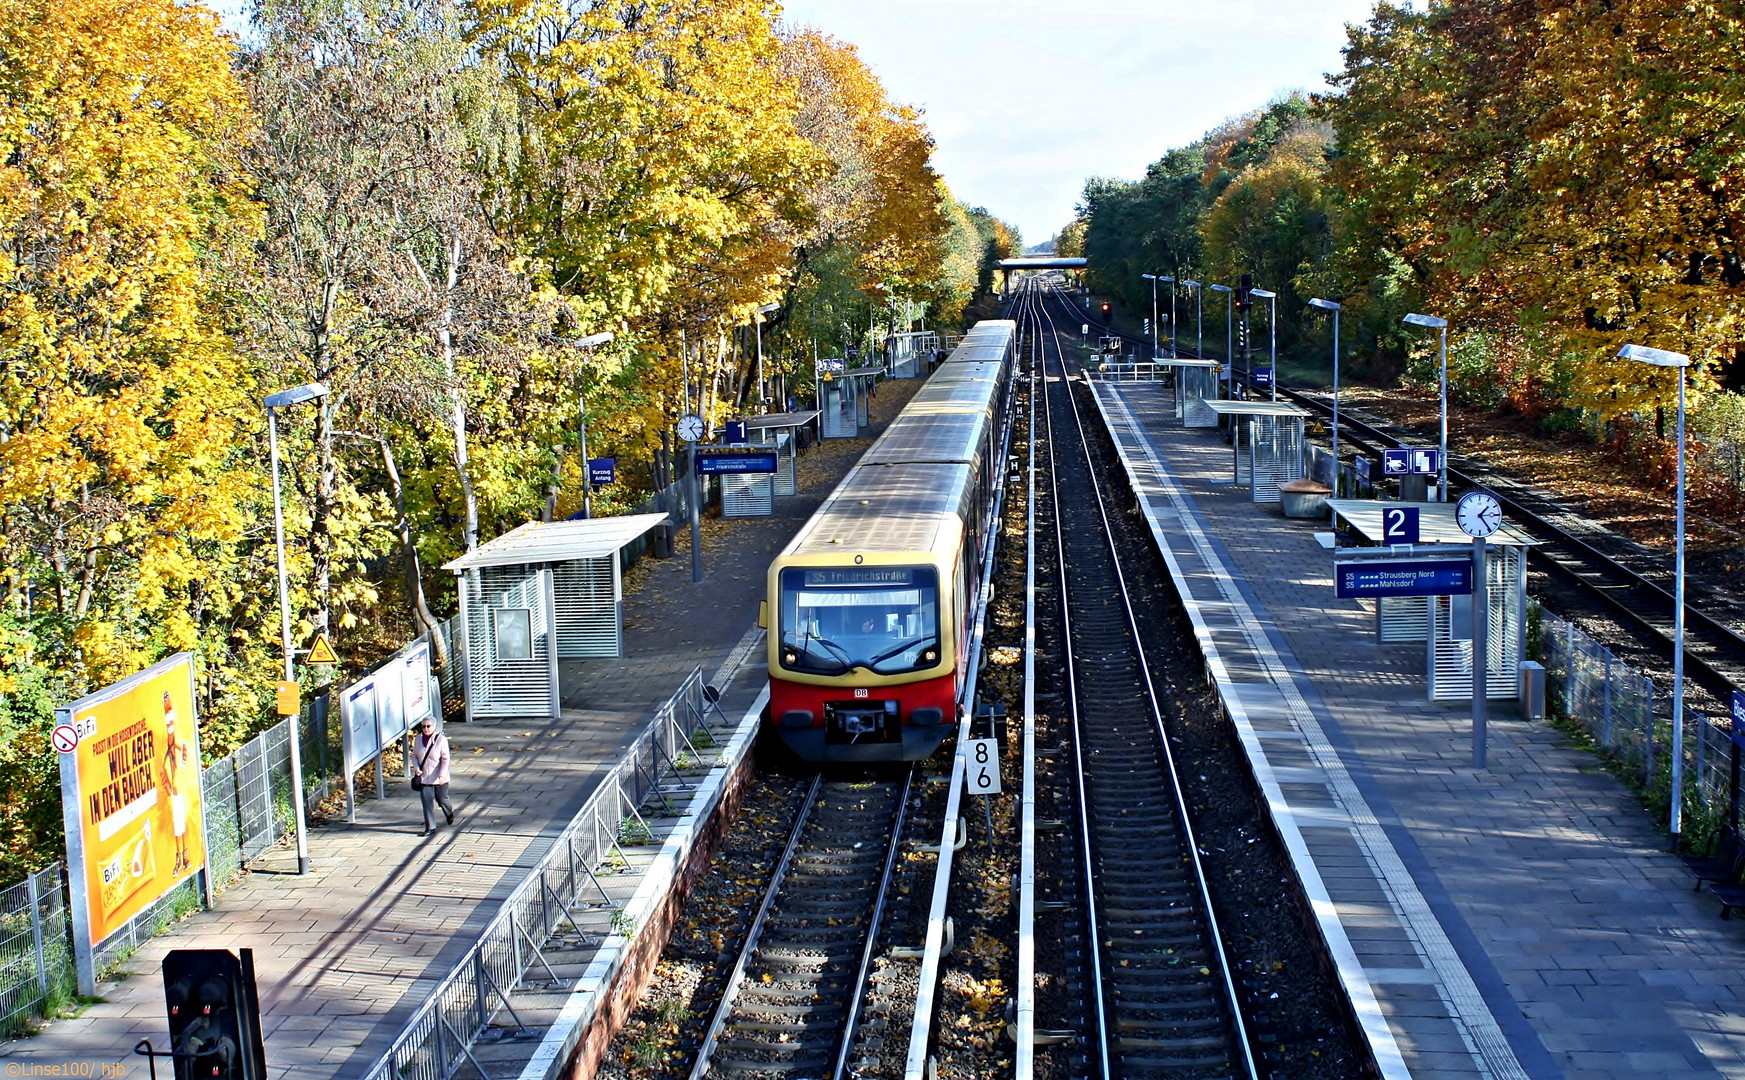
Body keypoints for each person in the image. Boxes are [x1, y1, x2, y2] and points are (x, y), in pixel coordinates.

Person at [413, 719, 454, 836]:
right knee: (426, 802)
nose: (426, 729)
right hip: (424, 778)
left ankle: (449, 812)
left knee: (442, 799)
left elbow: (445, 759)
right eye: (424, 726)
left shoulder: (441, 740)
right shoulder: (418, 739)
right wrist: (416, 768)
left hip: (439, 777)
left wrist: (442, 775)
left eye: (428, 726)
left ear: (434, 727)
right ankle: (430, 827)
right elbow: (415, 756)